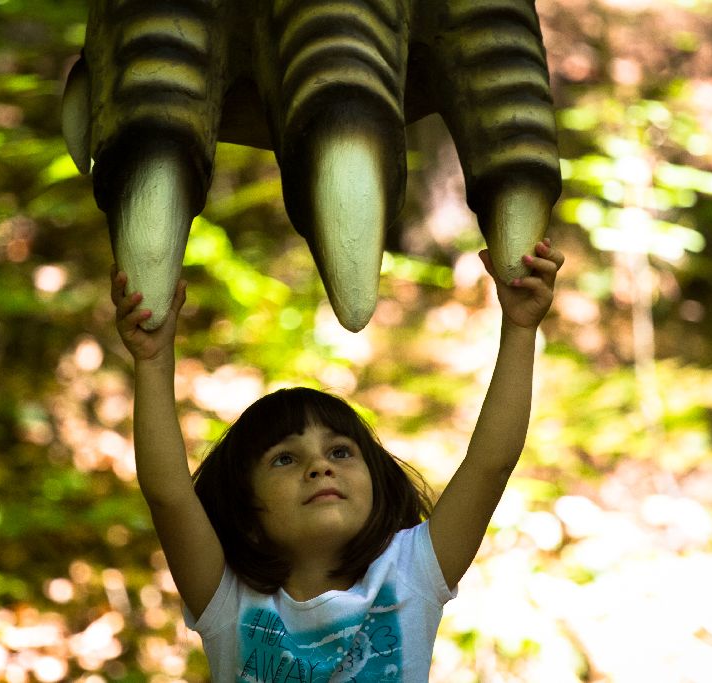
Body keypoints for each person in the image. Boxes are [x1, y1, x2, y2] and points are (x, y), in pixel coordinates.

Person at [111, 239, 564, 680]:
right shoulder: (228, 599)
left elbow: (491, 462)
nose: (319, 466)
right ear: (243, 510)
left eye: (341, 451)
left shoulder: (411, 572)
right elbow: (169, 494)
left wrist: (520, 328)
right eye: (284, 459)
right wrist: (152, 361)